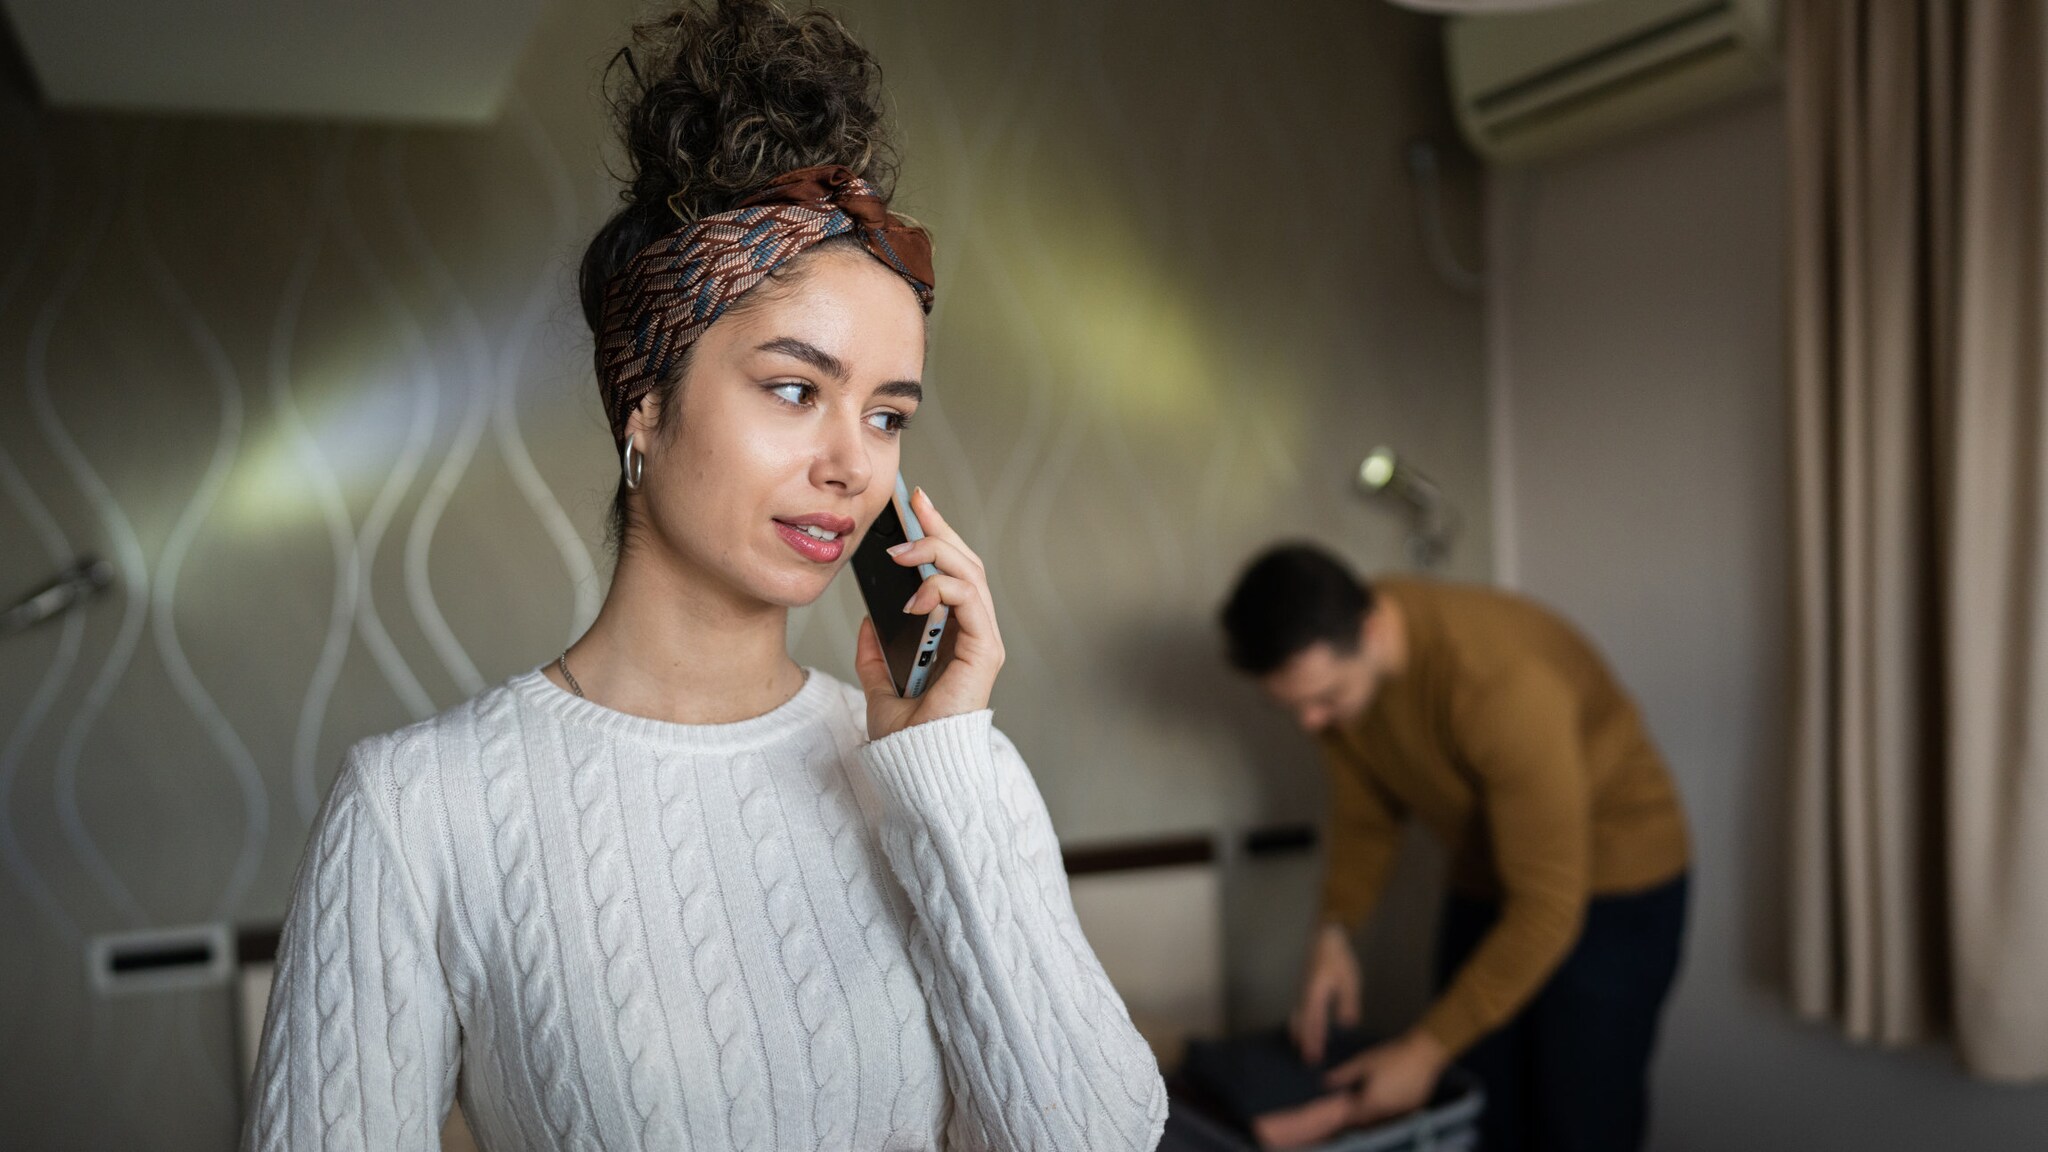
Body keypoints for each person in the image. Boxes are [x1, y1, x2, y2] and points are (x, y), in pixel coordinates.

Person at [240, 3, 1168, 1148]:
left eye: (887, 415)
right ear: (643, 407)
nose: (850, 464)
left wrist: (941, 761)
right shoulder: (416, 812)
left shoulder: (941, 772)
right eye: (793, 389)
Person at [1218, 544, 1690, 1152]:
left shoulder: (1500, 685)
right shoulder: (1339, 666)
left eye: (1326, 698)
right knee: (1481, 1095)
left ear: (1372, 629)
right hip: (1488, 875)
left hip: (1616, 884)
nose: (1311, 723)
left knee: (1579, 1117)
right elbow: (1367, 818)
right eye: (1294, 707)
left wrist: (1423, 1048)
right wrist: (1333, 933)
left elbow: (1546, 908)